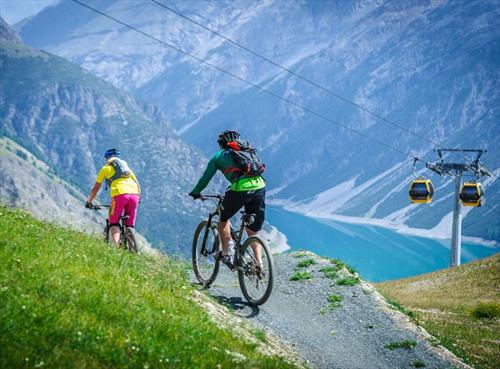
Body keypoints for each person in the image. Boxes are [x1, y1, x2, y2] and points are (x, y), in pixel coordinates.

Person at [189, 130, 266, 267]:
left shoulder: (219, 156)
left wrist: (196, 192)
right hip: (260, 187)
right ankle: (259, 263)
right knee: (253, 229)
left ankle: (226, 252)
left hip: (240, 189)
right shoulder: (248, 151)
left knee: (223, 218)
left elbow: (205, 178)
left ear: (221, 144)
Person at [86, 148, 141, 245]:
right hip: (135, 194)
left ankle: (116, 247)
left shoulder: (105, 168)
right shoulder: (126, 168)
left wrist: (89, 201)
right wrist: (138, 197)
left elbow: (95, 188)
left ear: (107, 158)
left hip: (120, 195)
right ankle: (133, 247)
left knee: (114, 223)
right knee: (130, 225)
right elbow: (137, 183)